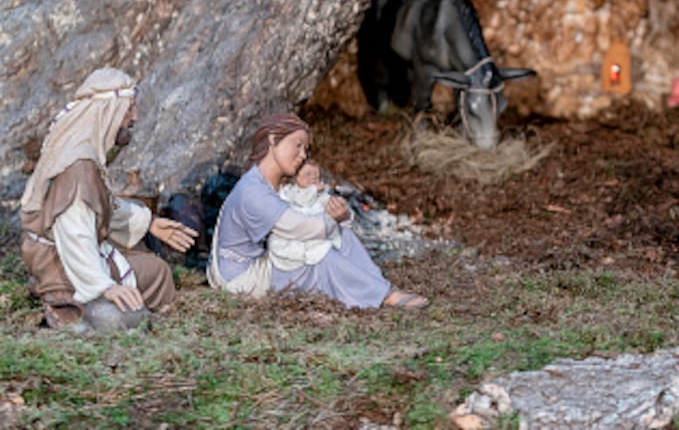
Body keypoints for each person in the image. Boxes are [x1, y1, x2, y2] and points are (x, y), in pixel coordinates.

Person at [20, 68, 197, 330]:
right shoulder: (79, 166)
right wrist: (102, 286)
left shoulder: (81, 154)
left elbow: (100, 206)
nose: (134, 117)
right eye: (129, 108)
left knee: (140, 250)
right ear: (110, 111)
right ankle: (74, 299)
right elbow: (75, 233)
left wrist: (149, 223)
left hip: (53, 253)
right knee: (157, 272)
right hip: (57, 262)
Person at [208, 112, 428, 308]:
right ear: (273, 140)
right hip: (241, 278)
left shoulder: (269, 184)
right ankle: (380, 295)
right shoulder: (253, 191)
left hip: (258, 263)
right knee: (319, 254)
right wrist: (333, 218)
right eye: (298, 145)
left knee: (338, 232)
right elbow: (302, 227)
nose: (303, 155)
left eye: (306, 149)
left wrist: (340, 217)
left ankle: (378, 286)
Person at [267, 159, 344, 271]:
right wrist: (313, 190)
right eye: (308, 174)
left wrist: (336, 203)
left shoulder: (320, 192)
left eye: (316, 175)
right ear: (295, 176)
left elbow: (325, 201)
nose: (313, 178)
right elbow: (301, 200)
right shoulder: (291, 192)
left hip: (314, 234)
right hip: (291, 234)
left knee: (325, 244)